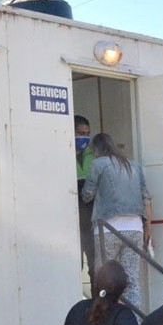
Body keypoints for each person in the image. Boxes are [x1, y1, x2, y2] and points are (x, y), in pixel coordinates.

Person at [81, 133, 152, 312]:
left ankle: (105, 320)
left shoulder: (98, 164)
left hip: (108, 228)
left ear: (96, 149)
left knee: (104, 278)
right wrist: (147, 227)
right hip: (135, 228)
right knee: (132, 280)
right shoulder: (134, 166)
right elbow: (146, 197)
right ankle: (134, 322)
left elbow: (87, 194)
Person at [75, 115, 96, 291]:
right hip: (71, 222)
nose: (85, 138)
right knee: (75, 266)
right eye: (81, 133)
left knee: (95, 265)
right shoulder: (60, 155)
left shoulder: (93, 156)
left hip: (91, 220)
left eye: (87, 133)